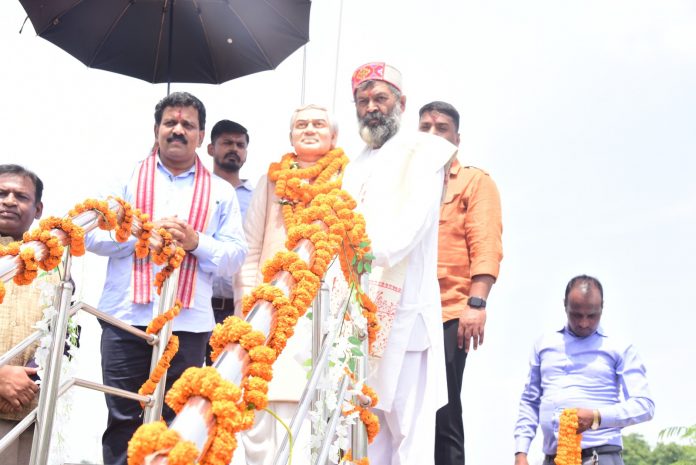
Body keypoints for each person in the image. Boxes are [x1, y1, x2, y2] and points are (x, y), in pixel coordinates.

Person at [85, 92, 248, 465]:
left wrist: (195, 241)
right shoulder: (124, 178)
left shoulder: (220, 191)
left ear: (201, 136)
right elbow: (91, 236)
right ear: (155, 129)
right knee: (123, 421)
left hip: (187, 325)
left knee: (180, 422)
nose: (178, 130)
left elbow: (234, 257)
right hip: (125, 318)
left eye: (187, 124)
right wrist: (140, 234)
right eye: (170, 123)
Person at [343, 62, 458, 465]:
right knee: (366, 430)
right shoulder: (353, 165)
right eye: (363, 101)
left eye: (380, 98)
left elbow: (411, 228)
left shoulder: (425, 152)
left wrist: (356, 250)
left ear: (401, 103)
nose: (371, 108)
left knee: (409, 435)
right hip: (359, 318)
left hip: (405, 316)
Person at [234, 104, 340, 465]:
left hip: (322, 309)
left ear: (333, 136)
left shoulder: (347, 178)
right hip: (269, 309)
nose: (309, 129)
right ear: (291, 136)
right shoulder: (273, 180)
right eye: (301, 124)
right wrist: (248, 305)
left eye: (318, 124)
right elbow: (250, 248)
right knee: (262, 406)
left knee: (314, 406)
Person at [417, 101, 503, 465]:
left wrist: (476, 304)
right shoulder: (407, 182)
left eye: (441, 128)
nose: (432, 134)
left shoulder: (474, 181)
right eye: (425, 127)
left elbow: (485, 245)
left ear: (457, 138)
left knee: (444, 410)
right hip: (404, 309)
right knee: (404, 411)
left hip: (449, 310)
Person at [514, 275, 655, 465]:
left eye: (592, 315)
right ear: (565, 305)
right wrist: (521, 452)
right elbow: (530, 401)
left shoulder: (619, 347)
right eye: (576, 315)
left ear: (602, 307)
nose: (584, 323)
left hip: (600, 456)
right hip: (553, 459)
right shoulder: (544, 344)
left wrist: (596, 417)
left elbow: (644, 406)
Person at [0, 164, 48, 465]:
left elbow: (65, 336)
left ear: (38, 209)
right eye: (1, 193)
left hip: (25, 410)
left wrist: (29, 380)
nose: (9, 201)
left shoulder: (53, 264)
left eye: (20, 196)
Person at [206, 119, 254, 361]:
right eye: (227, 143)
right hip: (198, 305)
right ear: (210, 148)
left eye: (240, 145)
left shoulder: (257, 199)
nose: (234, 149)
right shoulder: (199, 192)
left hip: (239, 310)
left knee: (232, 377)